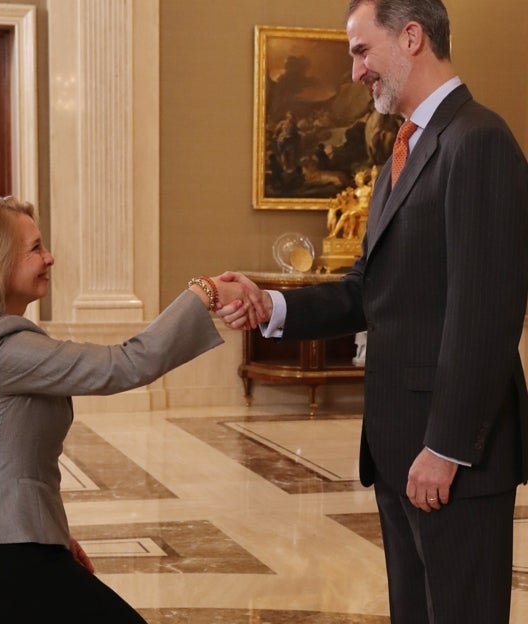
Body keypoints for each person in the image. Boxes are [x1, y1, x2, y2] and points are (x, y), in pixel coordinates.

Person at [218, 1, 528, 622]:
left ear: (411, 37)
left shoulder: (480, 141)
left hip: (452, 454)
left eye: (361, 50)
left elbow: (486, 312)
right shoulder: (401, 154)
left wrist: (446, 448)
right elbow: (368, 289)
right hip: (397, 447)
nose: (355, 71)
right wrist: (268, 304)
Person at [0, 195, 263, 624]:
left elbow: (8, 461)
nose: (49, 257)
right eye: (34, 248)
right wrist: (204, 293)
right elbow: (124, 364)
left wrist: (53, 535)